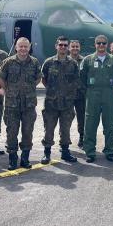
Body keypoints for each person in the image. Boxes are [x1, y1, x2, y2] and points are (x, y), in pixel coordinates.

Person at [0, 37, 42, 170]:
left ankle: (25, 158)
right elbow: (0, 77)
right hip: (12, 105)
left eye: (26, 47)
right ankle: (12, 158)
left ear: (29, 48)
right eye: (20, 46)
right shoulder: (8, 62)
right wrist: (8, 89)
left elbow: (38, 77)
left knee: (28, 132)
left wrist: (29, 89)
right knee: (11, 132)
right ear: (16, 47)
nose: (23, 49)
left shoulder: (34, 62)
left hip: (29, 105)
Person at [79, 35, 113, 163]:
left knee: (110, 123)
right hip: (92, 94)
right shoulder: (87, 60)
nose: (101, 45)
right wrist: (88, 91)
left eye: (103, 43)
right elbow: (82, 78)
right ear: (95, 44)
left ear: (107, 45)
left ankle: (109, 151)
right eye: (99, 43)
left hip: (109, 94)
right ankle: (90, 152)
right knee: (90, 124)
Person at [40, 36, 79, 164]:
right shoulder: (49, 62)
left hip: (67, 103)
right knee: (49, 129)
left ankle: (65, 152)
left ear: (67, 47)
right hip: (51, 103)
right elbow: (43, 79)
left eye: (65, 45)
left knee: (66, 129)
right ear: (56, 46)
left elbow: (76, 81)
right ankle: (47, 153)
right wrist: (53, 91)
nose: (63, 47)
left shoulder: (73, 63)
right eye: (60, 45)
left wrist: (68, 94)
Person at [69, 40, 86, 148]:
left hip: (81, 95)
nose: (75, 48)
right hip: (68, 95)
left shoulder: (85, 61)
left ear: (80, 48)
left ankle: (82, 137)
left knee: (82, 117)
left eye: (77, 46)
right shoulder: (65, 60)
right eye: (73, 46)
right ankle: (65, 139)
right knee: (66, 118)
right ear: (69, 48)